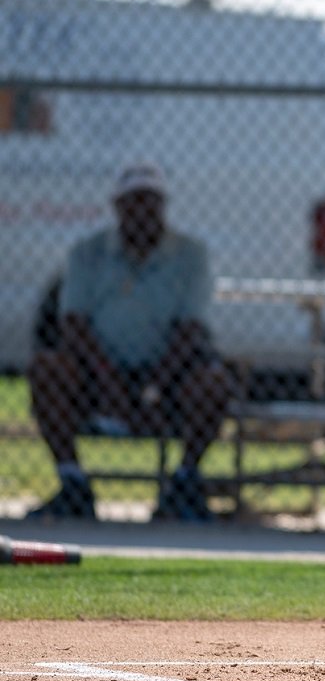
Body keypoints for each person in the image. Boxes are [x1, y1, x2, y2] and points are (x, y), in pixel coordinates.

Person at [26, 162, 234, 523]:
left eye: (150, 201)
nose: (142, 211)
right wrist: (108, 380)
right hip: (97, 373)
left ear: (163, 206)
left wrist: (153, 387)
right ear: (117, 206)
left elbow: (190, 329)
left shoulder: (189, 254)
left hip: (167, 372)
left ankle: (183, 484)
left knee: (213, 382)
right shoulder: (87, 253)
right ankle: (73, 484)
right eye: (133, 201)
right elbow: (73, 324)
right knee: (47, 369)